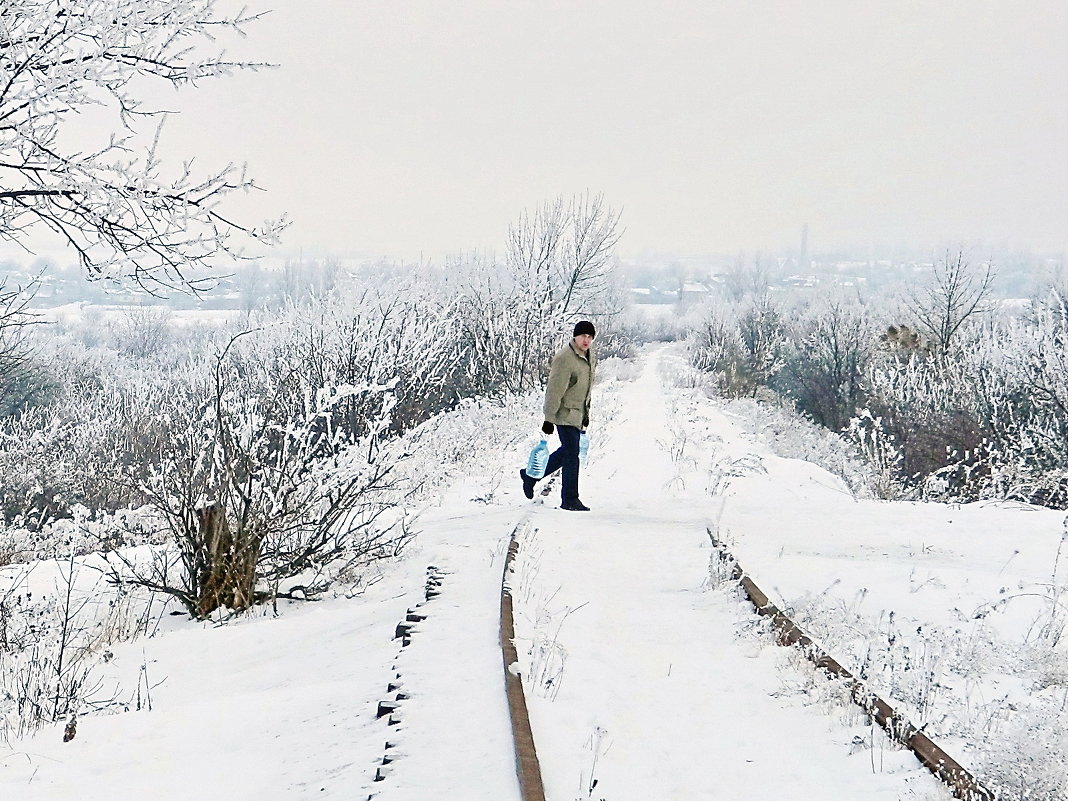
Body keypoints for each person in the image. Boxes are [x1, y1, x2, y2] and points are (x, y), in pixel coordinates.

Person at [520, 320, 596, 511]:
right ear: (575, 336)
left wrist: (586, 413)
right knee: (572, 454)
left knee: (568, 452)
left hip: (577, 414)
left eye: (589, 336)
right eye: (583, 336)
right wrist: (549, 418)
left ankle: (530, 476)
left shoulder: (588, 356)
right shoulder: (565, 358)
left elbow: (584, 388)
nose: (586, 340)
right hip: (564, 413)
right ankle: (570, 499)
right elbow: (554, 390)